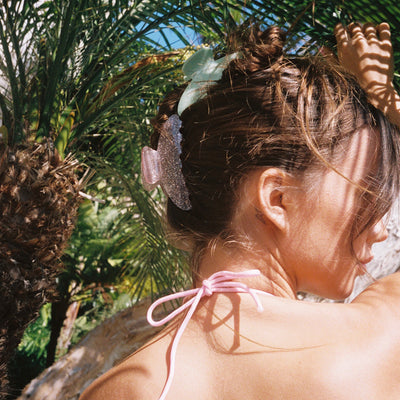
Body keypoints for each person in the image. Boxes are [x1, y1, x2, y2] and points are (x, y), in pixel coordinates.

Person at [80, 22, 400, 400]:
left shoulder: (123, 387)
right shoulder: (375, 338)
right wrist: (385, 102)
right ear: (277, 198)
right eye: (366, 193)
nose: (381, 228)